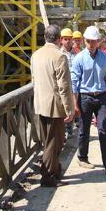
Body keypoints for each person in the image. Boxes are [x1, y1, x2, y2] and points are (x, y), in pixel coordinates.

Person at [70, 26, 106, 178]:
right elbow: (74, 82)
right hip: (85, 97)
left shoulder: (104, 58)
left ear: (99, 42)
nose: (91, 44)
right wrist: (75, 103)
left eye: (94, 41)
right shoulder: (79, 59)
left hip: (101, 97)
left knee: (104, 129)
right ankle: (82, 157)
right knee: (84, 129)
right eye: (88, 41)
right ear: (85, 41)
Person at [31, 25, 75, 187]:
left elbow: (34, 80)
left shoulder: (36, 55)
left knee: (48, 140)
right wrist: (69, 109)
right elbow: (64, 86)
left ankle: (55, 171)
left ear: (44, 37)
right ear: (58, 39)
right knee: (54, 142)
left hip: (40, 104)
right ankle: (48, 177)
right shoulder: (59, 56)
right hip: (54, 106)